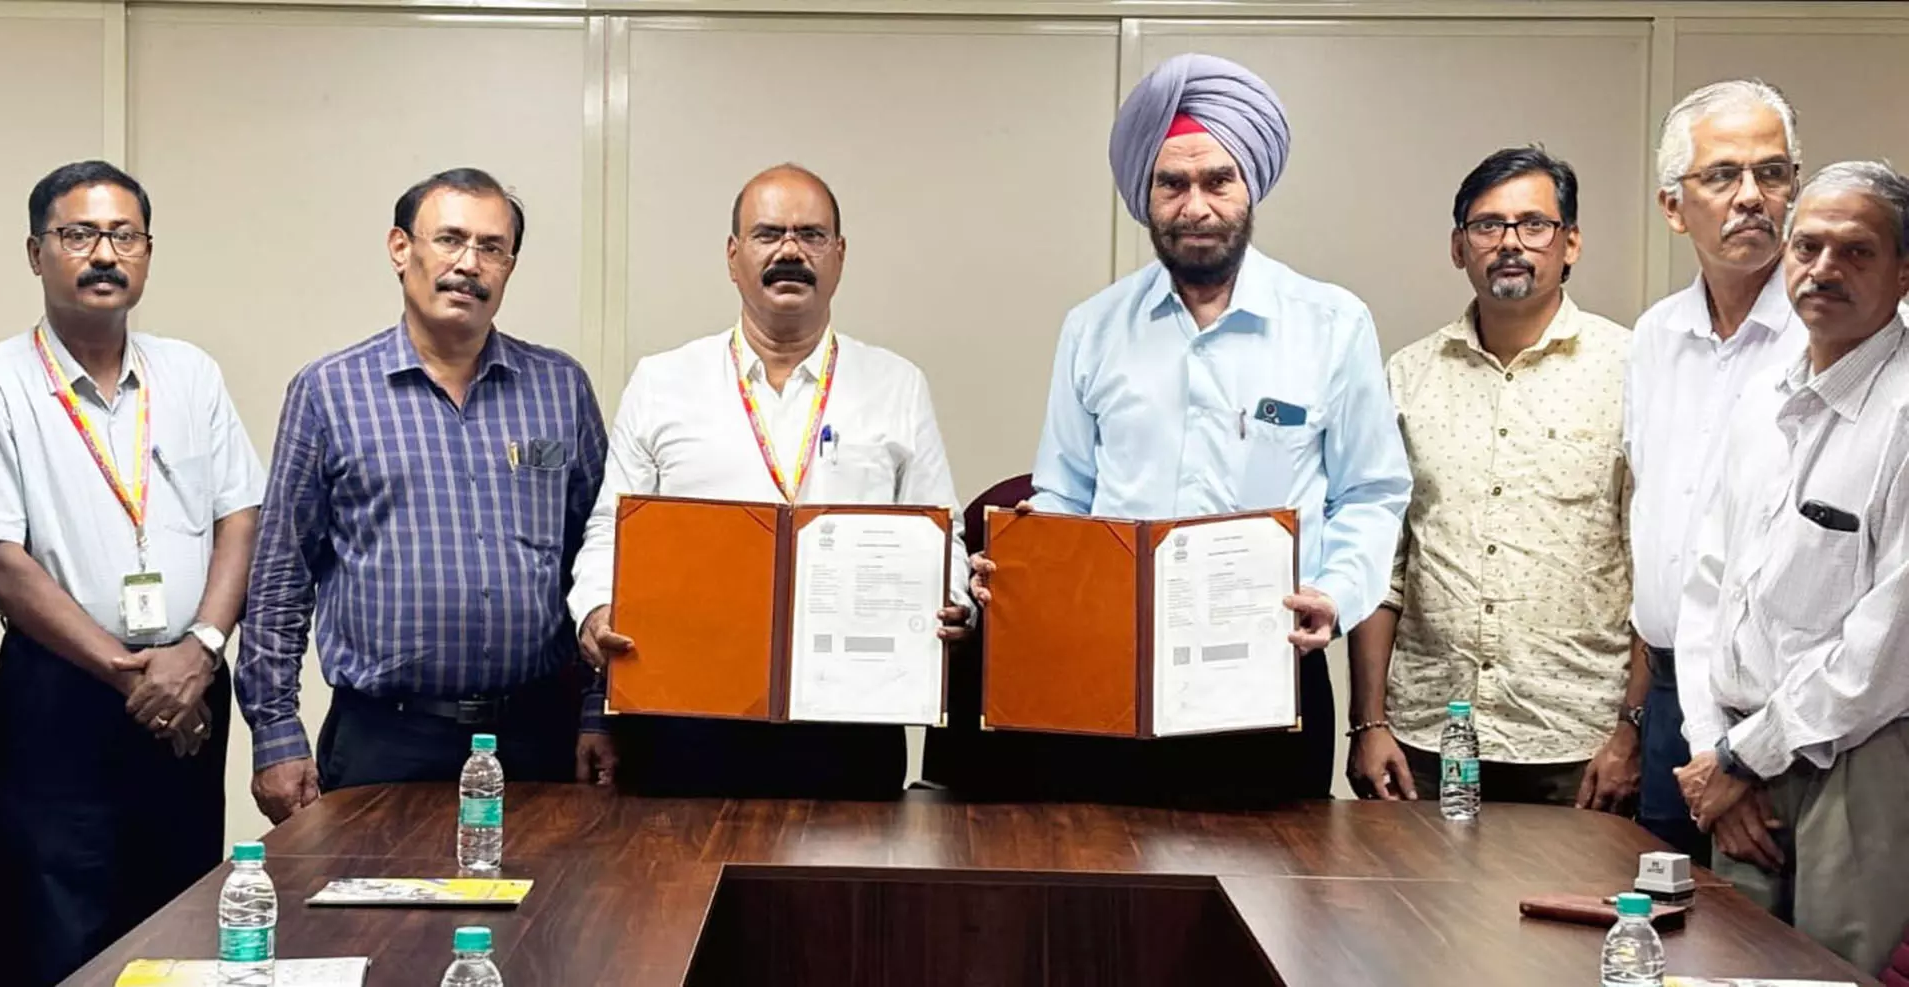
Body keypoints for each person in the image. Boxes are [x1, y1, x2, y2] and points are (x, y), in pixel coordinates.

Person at [970, 52, 1411, 805]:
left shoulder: (1331, 324)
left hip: (1274, 672)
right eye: (1171, 183)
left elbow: (1372, 492)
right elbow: (1064, 494)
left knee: (1280, 876)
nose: (1195, 206)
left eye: (1217, 180)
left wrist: (1336, 593)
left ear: (1251, 186)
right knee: (1113, 868)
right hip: (1115, 678)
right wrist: (1020, 566)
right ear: (1145, 197)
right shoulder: (1093, 328)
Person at [0, 160, 265, 987]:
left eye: (124, 235)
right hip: (60, 692)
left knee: (180, 923)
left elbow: (240, 517)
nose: (104, 254)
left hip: (189, 685)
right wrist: (129, 673)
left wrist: (202, 647)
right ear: (35, 252)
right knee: (52, 929)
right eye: (79, 234)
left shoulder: (190, 373)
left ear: (148, 252)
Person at [571, 164, 973, 799]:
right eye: (768, 234)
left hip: (849, 720)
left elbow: (941, 536)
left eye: (811, 234)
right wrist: (596, 609)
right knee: (680, 863)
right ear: (733, 256)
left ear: (839, 256)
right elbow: (609, 531)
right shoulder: (663, 382)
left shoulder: (897, 385)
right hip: (687, 714)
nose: (791, 251)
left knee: (843, 866)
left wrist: (951, 600)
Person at [237, 168, 609, 824]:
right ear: (400, 248)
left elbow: (601, 559)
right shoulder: (329, 392)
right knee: (373, 897)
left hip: (535, 737)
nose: (469, 264)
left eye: (492, 247)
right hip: (385, 739)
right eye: (450, 239)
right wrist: (275, 734)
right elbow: (280, 579)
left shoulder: (560, 387)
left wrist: (597, 712)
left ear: (510, 265)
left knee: (545, 896)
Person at [1673, 160, 1909, 977]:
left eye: (1856, 251)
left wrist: (1745, 757)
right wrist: (1715, 752)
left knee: (1831, 973)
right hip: (1739, 760)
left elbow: (1887, 646)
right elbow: (1706, 588)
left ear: (1904, 271)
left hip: (1854, 761)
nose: (1824, 268)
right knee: (1729, 963)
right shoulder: (1763, 395)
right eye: (1807, 247)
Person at [1347, 148, 1637, 809]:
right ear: (1459, 247)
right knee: (1412, 885)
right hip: (1427, 740)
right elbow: (1383, 568)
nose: (1510, 243)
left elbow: (1653, 568)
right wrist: (1369, 722)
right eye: (1487, 225)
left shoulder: (1629, 369)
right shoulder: (1408, 376)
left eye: (1534, 224)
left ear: (1571, 243)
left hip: (1579, 743)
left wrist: (1631, 733)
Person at [1627, 80, 1807, 861]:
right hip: (1672, 698)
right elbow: (1655, 529)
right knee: (1664, 919)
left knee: (1766, 931)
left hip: (1785, 715)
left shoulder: (1837, 336)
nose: (1752, 196)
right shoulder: (1655, 336)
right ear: (1673, 207)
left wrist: (1738, 759)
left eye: (1772, 173)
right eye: (1723, 175)